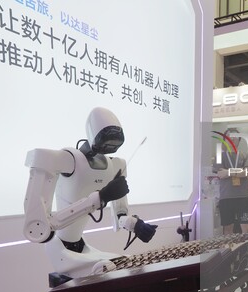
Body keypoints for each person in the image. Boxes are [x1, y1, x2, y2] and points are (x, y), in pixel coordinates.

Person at [23, 107, 157, 278]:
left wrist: (135, 225)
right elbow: (39, 228)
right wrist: (101, 197)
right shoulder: (69, 159)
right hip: (59, 250)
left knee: (128, 262)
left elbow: (119, 217)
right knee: (110, 269)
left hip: (81, 246)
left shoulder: (115, 165)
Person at [214, 130, 248, 235]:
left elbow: (246, 172)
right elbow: (220, 174)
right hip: (226, 197)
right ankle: (229, 250)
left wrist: (229, 172)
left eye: (234, 137)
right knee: (227, 228)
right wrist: (237, 172)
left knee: (247, 226)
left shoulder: (246, 155)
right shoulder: (220, 156)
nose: (231, 139)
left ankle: (246, 250)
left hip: (244, 197)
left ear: (239, 140)